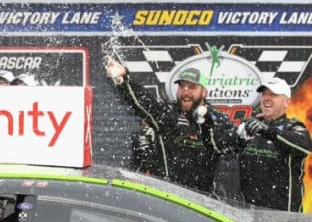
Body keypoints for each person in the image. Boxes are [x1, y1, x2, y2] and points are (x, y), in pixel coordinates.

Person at [106, 59, 235, 194]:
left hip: (202, 200)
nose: (185, 92)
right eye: (182, 86)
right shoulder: (169, 114)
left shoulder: (217, 119)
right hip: (168, 196)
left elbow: (230, 148)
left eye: (192, 87)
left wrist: (204, 126)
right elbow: (144, 103)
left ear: (204, 92)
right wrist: (123, 79)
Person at [233, 77, 312, 211]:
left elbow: (305, 146)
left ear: (287, 102)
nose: (266, 98)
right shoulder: (251, 125)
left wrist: (268, 131)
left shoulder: (293, 127)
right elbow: (225, 150)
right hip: (247, 212)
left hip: (281, 214)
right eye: (264, 94)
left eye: (273, 95)